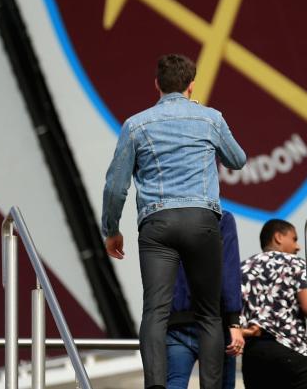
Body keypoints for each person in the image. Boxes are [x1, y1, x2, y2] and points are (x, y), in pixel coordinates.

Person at [101, 53, 247, 389]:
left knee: (155, 310)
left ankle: (155, 385)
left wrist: (111, 230)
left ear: (157, 85)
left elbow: (115, 185)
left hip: (157, 223)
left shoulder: (136, 124)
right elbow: (238, 160)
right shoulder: (210, 119)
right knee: (209, 313)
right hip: (201, 220)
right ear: (192, 85)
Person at [240, 219, 307, 389]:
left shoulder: (243, 268)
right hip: (291, 352)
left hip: (254, 355)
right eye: (294, 239)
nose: (297, 246)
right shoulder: (295, 263)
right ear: (278, 237)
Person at [166, 211, 244, 389]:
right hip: (214, 323)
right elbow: (229, 270)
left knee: (175, 383)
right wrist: (234, 323)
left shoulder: (167, 217)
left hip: (176, 321)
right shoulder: (222, 218)